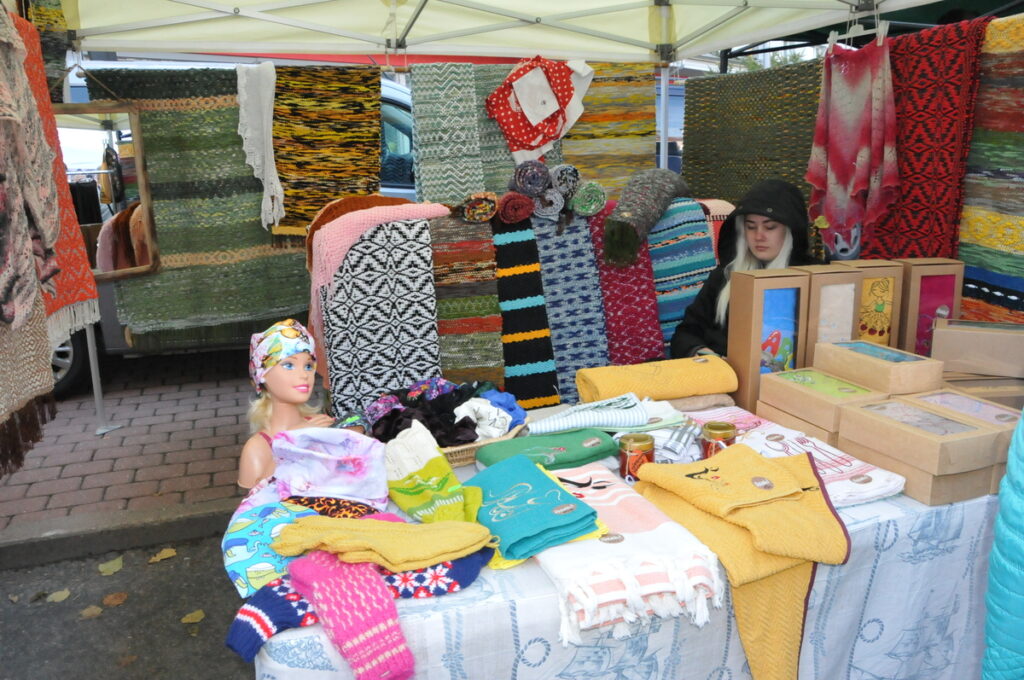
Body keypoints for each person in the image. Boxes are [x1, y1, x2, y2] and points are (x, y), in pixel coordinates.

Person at [670, 179, 820, 358]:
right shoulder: (725, 276)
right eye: (751, 227)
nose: (759, 236)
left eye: (770, 227)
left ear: (790, 230)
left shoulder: (815, 280)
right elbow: (686, 333)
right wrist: (703, 354)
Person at [238, 318, 352, 489]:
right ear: (262, 375)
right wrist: (291, 441)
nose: (304, 375)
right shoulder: (257, 448)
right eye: (289, 365)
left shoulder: (321, 425)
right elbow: (258, 501)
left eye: (308, 366)